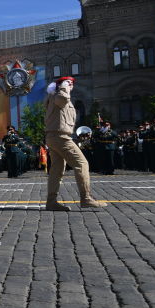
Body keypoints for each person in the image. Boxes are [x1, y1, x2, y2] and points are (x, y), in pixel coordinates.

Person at [44, 76, 107, 210]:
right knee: (81, 163)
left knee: (57, 169)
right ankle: (86, 198)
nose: (71, 86)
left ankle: (51, 201)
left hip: (53, 136)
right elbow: (62, 100)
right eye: (69, 83)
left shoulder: (53, 96)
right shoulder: (59, 94)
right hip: (60, 136)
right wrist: (63, 86)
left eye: (71, 84)